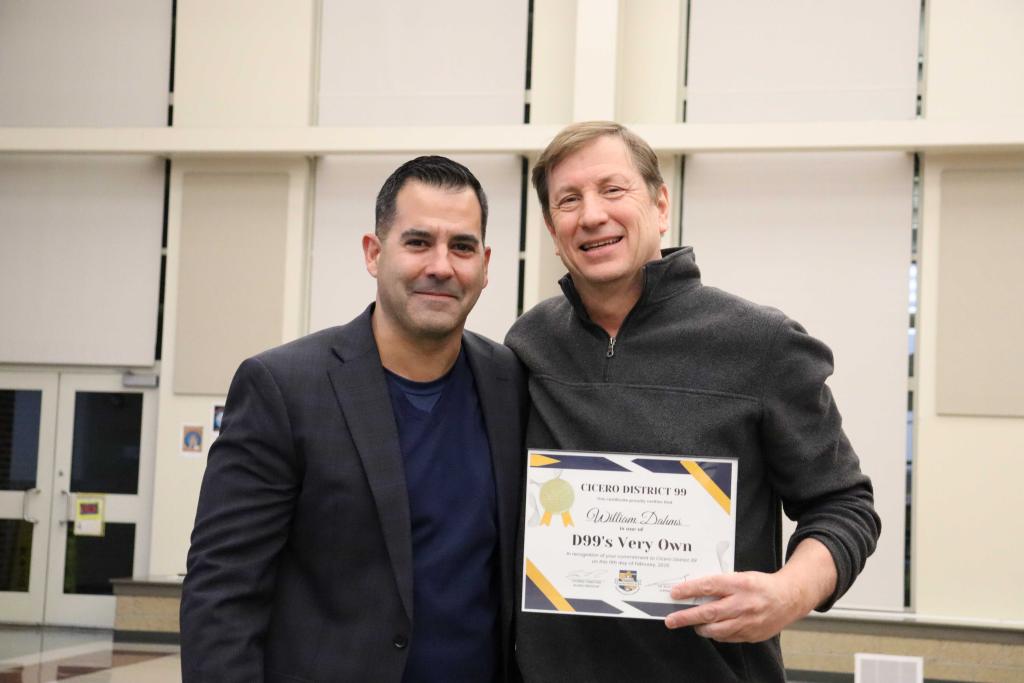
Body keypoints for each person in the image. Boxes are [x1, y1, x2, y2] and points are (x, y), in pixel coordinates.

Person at [505, 122, 880, 682]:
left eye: (613, 189)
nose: (591, 215)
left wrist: (789, 592)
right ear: (552, 230)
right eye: (569, 200)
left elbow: (844, 506)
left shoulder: (762, 344)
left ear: (660, 206)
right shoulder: (530, 343)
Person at [181, 156, 526, 682]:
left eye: (462, 247)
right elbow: (222, 592)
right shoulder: (284, 388)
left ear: (485, 264)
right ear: (373, 253)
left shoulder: (509, 383)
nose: (441, 266)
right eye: (418, 242)